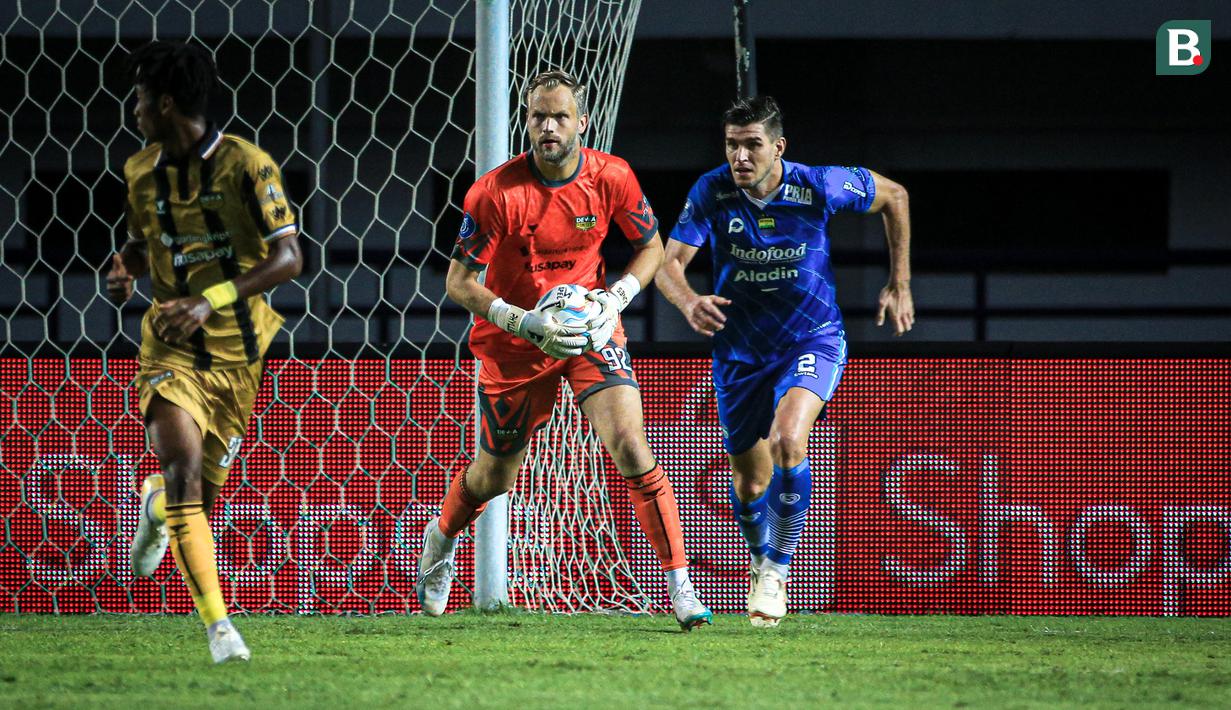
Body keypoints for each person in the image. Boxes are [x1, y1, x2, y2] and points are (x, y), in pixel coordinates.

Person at [417, 69, 712, 630]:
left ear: (581, 122)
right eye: (537, 117)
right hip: (515, 344)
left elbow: (650, 247)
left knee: (629, 443)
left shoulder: (612, 177)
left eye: (558, 116)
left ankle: (680, 587)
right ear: (525, 122)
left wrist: (617, 297)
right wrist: (521, 320)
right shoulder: (495, 192)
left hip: (589, 332)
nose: (547, 126)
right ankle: (440, 539)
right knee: (494, 477)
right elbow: (458, 282)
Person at [655, 96, 914, 627]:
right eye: (732, 144)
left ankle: (776, 567)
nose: (741, 156)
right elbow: (669, 263)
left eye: (753, 145)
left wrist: (899, 282)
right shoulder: (712, 191)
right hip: (739, 351)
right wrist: (688, 300)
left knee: (788, 440)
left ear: (778, 147)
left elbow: (896, 195)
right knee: (751, 484)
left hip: (811, 338)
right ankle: (759, 554)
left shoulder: (818, 183)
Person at [106, 40, 303, 662]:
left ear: (165, 103)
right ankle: (221, 632)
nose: (134, 110)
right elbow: (143, 243)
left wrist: (209, 298)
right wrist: (124, 269)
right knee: (184, 473)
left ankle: (156, 510)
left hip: (239, 358)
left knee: (197, 496)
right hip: (170, 351)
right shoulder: (140, 171)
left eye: (139, 98)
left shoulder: (248, 165)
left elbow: (291, 258)